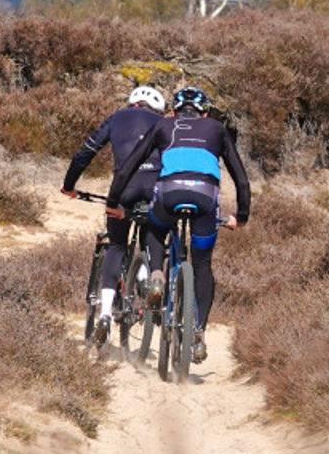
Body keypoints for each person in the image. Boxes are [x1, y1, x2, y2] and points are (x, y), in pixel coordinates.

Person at [107, 86, 250, 363]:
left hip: (169, 195)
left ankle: (158, 275)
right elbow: (241, 179)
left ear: (173, 111)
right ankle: (198, 334)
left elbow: (128, 167)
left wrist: (114, 201)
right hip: (205, 199)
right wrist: (241, 216)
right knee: (202, 265)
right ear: (205, 112)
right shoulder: (217, 129)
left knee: (156, 226)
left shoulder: (164, 126)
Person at [61, 85, 167, 327]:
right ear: (159, 108)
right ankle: (148, 278)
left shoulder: (117, 118)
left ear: (132, 103)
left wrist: (69, 185)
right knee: (152, 236)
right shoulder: (164, 124)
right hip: (156, 189)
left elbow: (85, 152)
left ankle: (106, 314)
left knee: (117, 246)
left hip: (123, 189)